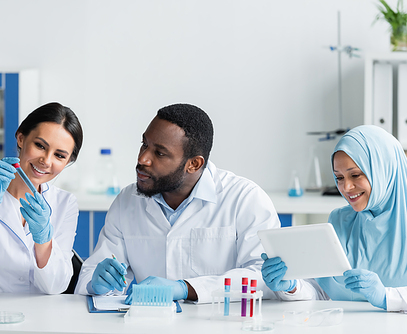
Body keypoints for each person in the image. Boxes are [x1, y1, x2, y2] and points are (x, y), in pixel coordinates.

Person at [75, 103, 280, 303]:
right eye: (144, 144)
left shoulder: (245, 199)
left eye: (160, 153)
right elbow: (91, 275)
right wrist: (98, 283)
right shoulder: (127, 201)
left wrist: (186, 289)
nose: (143, 159)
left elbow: (264, 277)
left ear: (194, 164)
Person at [261, 125, 407, 313]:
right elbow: (322, 292)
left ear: (383, 169)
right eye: (339, 178)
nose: (346, 187)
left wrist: (387, 297)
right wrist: (291, 286)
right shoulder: (339, 220)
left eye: (355, 175)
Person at [0, 102, 84, 294]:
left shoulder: (65, 203)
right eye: (40, 145)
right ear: (21, 138)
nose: (46, 161)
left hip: (38, 318)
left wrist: (43, 239)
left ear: (68, 161)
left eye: (60, 156)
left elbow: (55, 287)